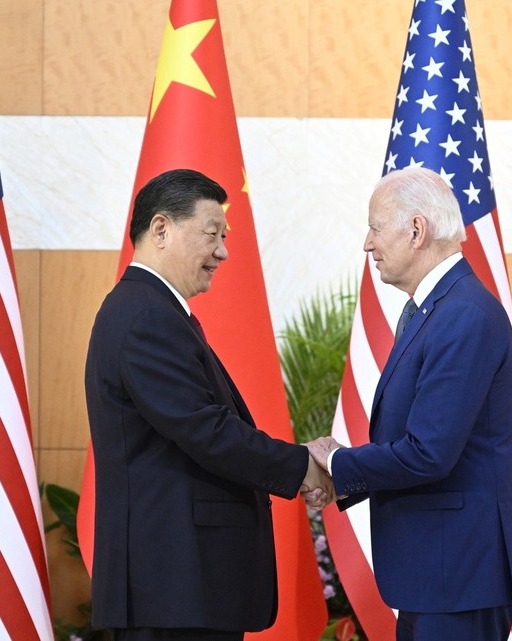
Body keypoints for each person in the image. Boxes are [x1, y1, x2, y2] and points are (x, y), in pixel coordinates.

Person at [85, 168, 333, 641]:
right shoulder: (144, 317)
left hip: (183, 587)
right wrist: (303, 464)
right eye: (211, 234)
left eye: (224, 236)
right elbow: (206, 430)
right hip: (173, 585)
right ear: (161, 229)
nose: (223, 251)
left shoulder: (151, 310)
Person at [307, 167, 512, 640]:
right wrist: (344, 478)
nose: (368, 244)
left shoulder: (464, 315)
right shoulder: (437, 310)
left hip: (458, 573)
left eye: (374, 227)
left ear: (416, 230)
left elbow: (429, 451)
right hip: (438, 572)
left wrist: (338, 464)